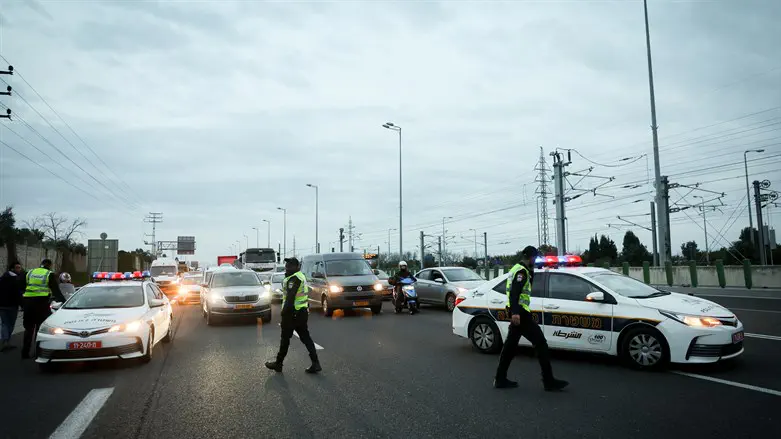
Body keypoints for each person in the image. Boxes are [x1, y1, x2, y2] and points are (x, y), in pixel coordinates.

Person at [494, 246, 568, 391]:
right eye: (535, 257)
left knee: (510, 346)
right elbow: (515, 292)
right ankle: (549, 381)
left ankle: (500, 378)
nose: (536, 260)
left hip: (519, 312)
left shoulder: (519, 269)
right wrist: (515, 313)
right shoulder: (521, 272)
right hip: (520, 314)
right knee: (541, 343)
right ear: (531, 257)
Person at [265, 257, 321, 374]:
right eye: (287, 265)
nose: (287, 267)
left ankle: (278, 364)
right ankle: (315, 363)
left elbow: (290, 297)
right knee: (306, 338)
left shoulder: (294, 279)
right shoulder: (299, 276)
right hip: (301, 312)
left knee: (285, 339)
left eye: (290, 265)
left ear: (297, 267)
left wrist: (283, 312)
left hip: (292, 314)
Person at [21, 259, 65, 359]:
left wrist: (22, 302)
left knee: (28, 328)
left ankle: (25, 352)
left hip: (28, 304)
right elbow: (56, 290)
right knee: (40, 329)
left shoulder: (29, 272)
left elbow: (21, 286)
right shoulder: (48, 274)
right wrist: (64, 302)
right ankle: (38, 352)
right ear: (49, 265)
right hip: (41, 304)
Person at [0, 262, 25, 352]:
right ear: (12, 269)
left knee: (4, 323)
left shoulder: (2, 278)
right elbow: (18, 295)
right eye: (17, 267)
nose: (19, 269)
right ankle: (6, 341)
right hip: (12, 306)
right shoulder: (16, 280)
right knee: (10, 324)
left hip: (2, 305)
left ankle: (5, 341)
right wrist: (23, 305)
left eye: (20, 267)